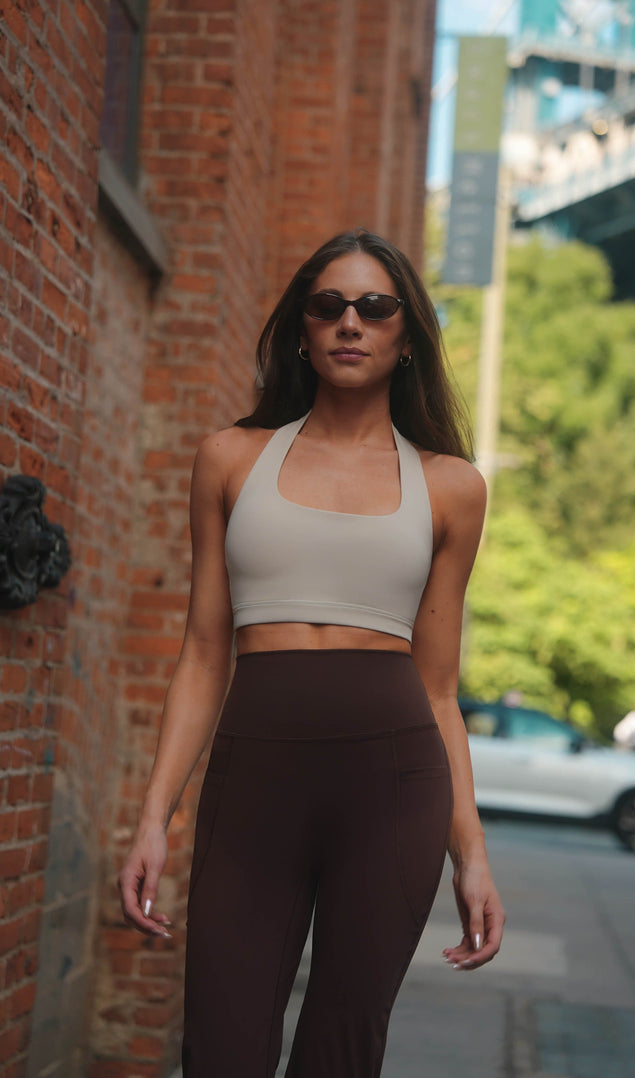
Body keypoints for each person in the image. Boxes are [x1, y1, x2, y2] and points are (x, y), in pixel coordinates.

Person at [118, 229, 505, 1077]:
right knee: (220, 1047)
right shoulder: (230, 459)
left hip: (395, 791)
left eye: (376, 307)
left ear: (408, 336)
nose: (350, 324)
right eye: (328, 306)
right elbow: (201, 655)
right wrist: (155, 815)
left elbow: (440, 692)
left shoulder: (451, 487)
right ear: (301, 328)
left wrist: (469, 855)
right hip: (254, 780)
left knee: (341, 1051)